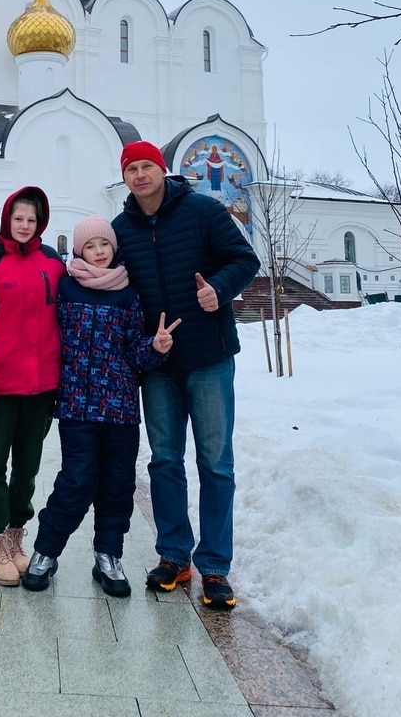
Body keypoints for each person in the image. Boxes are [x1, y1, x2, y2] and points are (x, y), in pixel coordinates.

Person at [112, 141, 260, 610]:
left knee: (216, 463)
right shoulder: (121, 228)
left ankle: (215, 565)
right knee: (164, 461)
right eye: (131, 169)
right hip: (158, 366)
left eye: (147, 167)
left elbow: (244, 260)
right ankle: (175, 556)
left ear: (162, 170)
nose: (140, 175)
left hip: (209, 357)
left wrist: (219, 289)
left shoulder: (203, 211)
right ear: (125, 177)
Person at [22, 216, 180, 595]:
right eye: (90, 246)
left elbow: (133, 353)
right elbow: (48, 337)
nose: (98, 251)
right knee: (76, 482)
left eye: (103, 245)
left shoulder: (127, 295)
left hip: (120, 410)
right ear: (79, 250)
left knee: (117, 486)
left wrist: (155, 347)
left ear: (113, 248)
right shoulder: (66, 289)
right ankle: (46, 551)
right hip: (77, 408)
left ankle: (108, 555)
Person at [0, 186, 66, 586]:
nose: (24, 225)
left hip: (41, 389)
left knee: (27, 469)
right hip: (1, 389)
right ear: (8, 219)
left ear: (41, 223)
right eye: (18, 218)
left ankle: (15, 536)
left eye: (32, 220)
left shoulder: (53, 264)